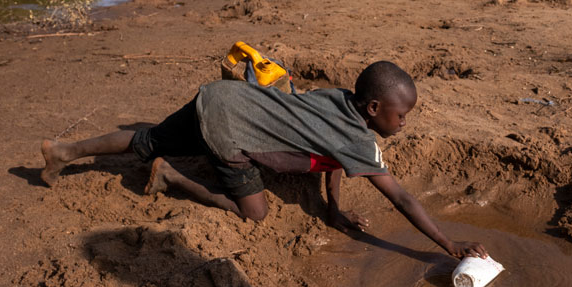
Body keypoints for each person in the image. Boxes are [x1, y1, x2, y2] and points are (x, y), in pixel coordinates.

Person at [41, 61, 487, 259]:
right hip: (230, 132)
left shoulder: (339, 98)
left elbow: (332, 160)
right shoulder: (359, 141)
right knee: (255, 213)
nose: (404, 123)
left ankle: (64, 151)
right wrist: (448, 244)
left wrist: (333, 210)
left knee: (148, 139)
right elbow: (402, 199)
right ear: (373, 109)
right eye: (401, 115)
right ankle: (173, 177)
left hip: (220, 97)